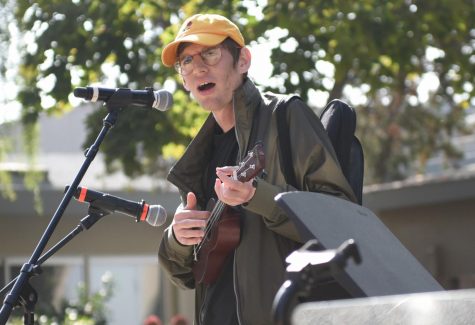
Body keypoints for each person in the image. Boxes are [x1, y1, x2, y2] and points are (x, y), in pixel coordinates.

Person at [158, 13, 357, 325]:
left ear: (243, 60)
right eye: (186, 61)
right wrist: (177, 239)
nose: (198, 67)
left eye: (210, 53)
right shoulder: (202, 155)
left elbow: (342, 222)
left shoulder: (286, 116)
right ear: (184, 80)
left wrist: (258, 196)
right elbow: (185, 274)